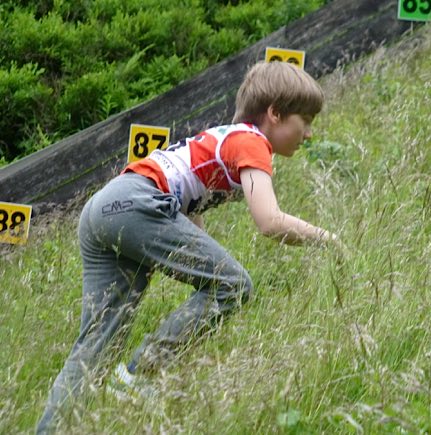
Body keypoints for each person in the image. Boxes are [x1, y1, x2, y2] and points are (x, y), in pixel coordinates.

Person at [36, 60, 338, 433]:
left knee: (96, 347)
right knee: (233, 285)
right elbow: (270, 222)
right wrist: (329, 240)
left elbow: (189, 213)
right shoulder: (253, 142)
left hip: (103, 208)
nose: (308, 133)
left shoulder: (223, 137)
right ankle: (143, 370)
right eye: (305, 120)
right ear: (275, 114)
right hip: (136, 203)